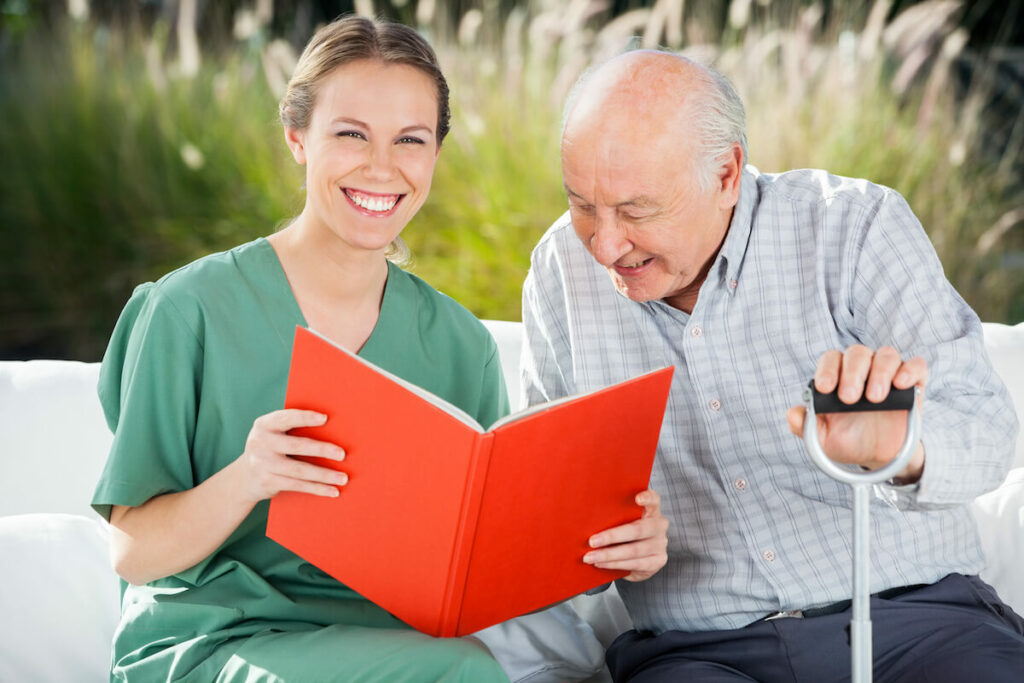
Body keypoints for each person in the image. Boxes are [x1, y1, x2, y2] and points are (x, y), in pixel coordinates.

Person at [91, 16, 664, 682]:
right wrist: (249, 476)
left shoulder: (457, 342)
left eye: (410, 140)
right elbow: (132, 550)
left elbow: (480, 566)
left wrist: (612, 549)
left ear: (435, 155)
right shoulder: (187, 310)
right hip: (210, 641)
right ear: (297, 136)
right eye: (350, 134)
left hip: (394, 646)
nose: (382, 166)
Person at [521, 49, 1024, 682]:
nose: (606, 244)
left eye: (637, 210)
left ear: (726, 174)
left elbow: (986, 428)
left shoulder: (854, 227)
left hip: (919, 624)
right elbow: (547, 503)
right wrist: (598, 547)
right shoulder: (558, 272)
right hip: (695, 654)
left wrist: (902, 447)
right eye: (583, 205)